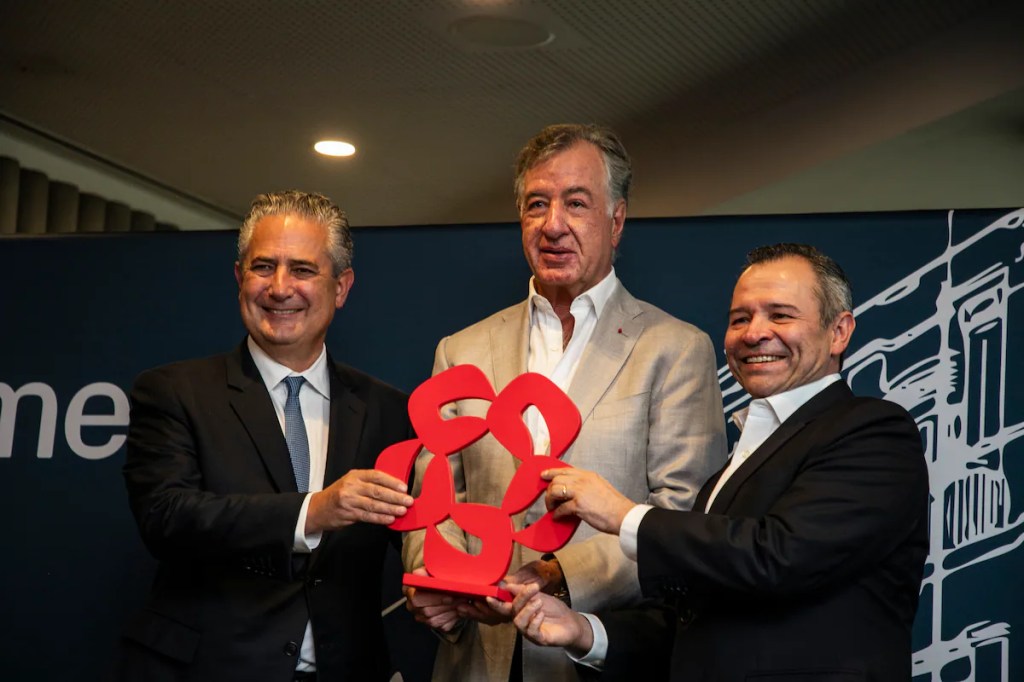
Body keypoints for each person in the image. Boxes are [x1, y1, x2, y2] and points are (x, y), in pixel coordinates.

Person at [502, 243, 930, 681]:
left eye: (780, 315)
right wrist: (583, 632)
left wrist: (623, 515)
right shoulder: (731, 470)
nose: (754, 333)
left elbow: (780, 557)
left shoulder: (874, 432)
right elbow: (697, 623)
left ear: (839, 331)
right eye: (740, 319)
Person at [402, 123, 728, 681]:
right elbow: (434, 497)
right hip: (476, 658)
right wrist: (441, 582)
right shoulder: (460, 350)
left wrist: (559, 574)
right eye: (537, 204)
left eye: (576, 203)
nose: (553, 224)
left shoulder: (675, 349)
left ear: (616, 221)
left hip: (598, 657)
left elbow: (678, 516)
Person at [119, 190, 415, 681]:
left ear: (341, 287)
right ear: (240, 278)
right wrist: (314, 510)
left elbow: (417, 534)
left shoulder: (389, 411)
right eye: (263, 267)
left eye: (302, 270)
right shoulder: (173, 391)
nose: (280, 288)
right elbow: (165, 518)